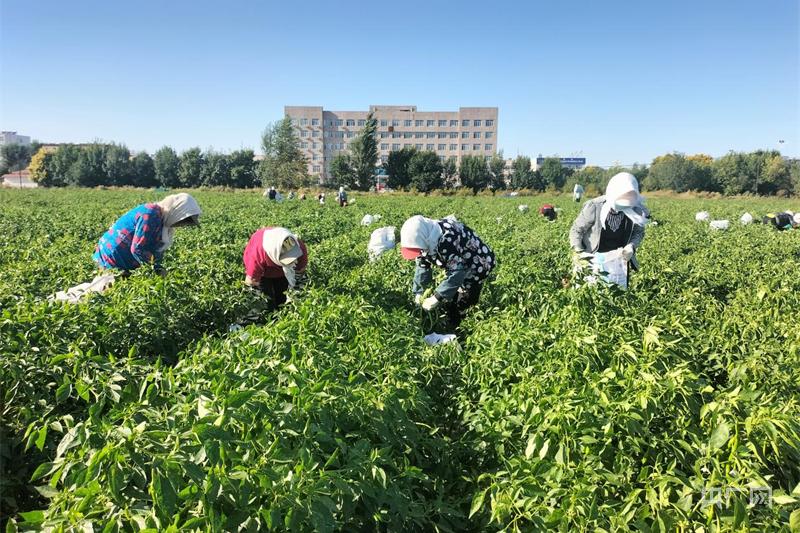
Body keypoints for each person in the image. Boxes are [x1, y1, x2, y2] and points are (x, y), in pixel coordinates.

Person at [400, 215, 496, 328]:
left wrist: (437, 297)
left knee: (464, 300)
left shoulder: (445, 240)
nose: (419, 252)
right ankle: (452, 320)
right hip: (460, 263)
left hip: (478, 263)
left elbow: (458, 271)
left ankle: (465, 326)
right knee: (451, 299)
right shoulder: (425, 240)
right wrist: (418, 292)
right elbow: (422, 264)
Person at [92, 193, 201, 276]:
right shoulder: (151, 214)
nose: (181, 225)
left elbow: (154, 250)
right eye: (183, 221)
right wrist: (157, 270)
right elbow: (138, 248)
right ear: (177, 212)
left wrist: (159, 267)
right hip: (111, 260)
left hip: (123, 261)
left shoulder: (163, 222)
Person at [569, 172, 647, 274]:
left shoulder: (636, 209)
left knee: (617, 288)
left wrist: (631, 246)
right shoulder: (594, 207)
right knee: (591, 287)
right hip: (593, 258)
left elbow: (638, 232)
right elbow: (576, 230)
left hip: (618, 260)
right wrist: (579, 252)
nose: (623, 208)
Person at [243, 227, 308, 310]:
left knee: (283, 298)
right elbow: (252, 282)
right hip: (264, 270)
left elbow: (300, 272)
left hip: (280, 267)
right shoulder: (257, 255)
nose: (294, 262)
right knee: (267, 301)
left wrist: (297, 297)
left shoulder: (299, 248)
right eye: (288, 261)